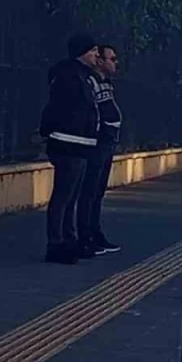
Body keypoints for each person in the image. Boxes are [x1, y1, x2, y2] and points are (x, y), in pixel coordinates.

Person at [38, 33, 102, 265]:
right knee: (63, 196)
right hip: (67, 143)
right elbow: (60, 108)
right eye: (93, 51)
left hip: (81, 144)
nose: (97, 55)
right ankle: (57, 244)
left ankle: (69, 241)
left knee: (70, 196)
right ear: (82, 52)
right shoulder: (68, 75)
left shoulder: (84, 76)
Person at [76, 45, 122, 256]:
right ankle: (86, 236)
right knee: (89, 191)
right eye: (111, 58)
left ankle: (95, 233)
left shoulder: (106, 82)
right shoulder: (91, 81)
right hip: (98, 143)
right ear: (101, 61)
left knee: (98, 192)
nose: (115, 62)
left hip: (108, 142)